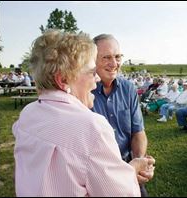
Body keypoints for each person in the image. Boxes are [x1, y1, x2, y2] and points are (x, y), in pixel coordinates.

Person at [12, 29, 154, 196]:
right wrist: (134, 168)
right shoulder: (91, 126)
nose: (97, 79)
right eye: (92, 72)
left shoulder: (28, 113)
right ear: (63, 80)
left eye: (117, 57)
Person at [92, 34, 154, 197]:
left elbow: (138, 132)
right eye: (106, 57)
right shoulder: (83, 91)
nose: (114, 64)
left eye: (117, 56)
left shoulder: (128, 88)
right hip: (97, 174)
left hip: (128, 166)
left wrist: (139, 163)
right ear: (92, 60)